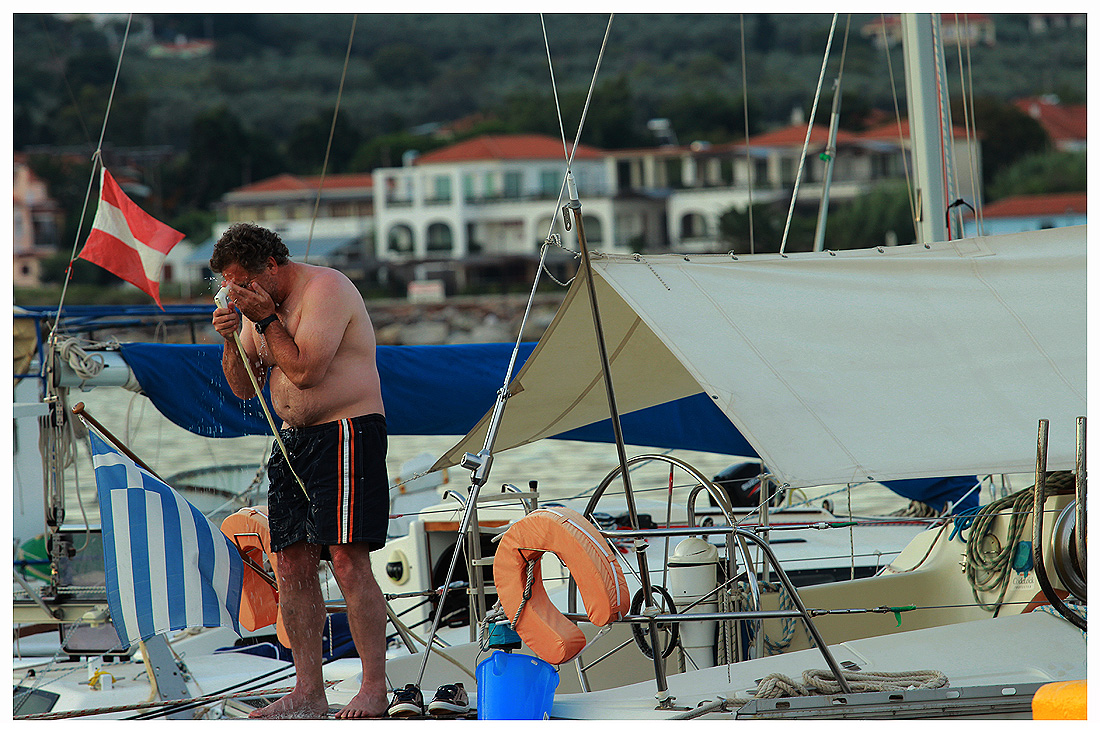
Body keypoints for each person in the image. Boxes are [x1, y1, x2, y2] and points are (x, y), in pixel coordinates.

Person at [210, 222, 389, 719]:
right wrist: (231, 339)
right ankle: (308, 689)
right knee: (289, 563)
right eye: (228, 284)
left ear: (271, 265)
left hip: (347, 432)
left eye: (242, 281)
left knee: (349, 560)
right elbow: (245, 389)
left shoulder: (325, 288)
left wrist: (266, 319)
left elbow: (306, 370)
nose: (235, 292)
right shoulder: (252, 306)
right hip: (293, 439)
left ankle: (374, 686)